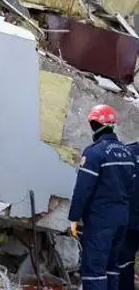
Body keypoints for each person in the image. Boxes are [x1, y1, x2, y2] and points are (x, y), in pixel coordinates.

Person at [69, 104, 134, 290]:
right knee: (111, 266)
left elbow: (83, 189)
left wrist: (74, 217)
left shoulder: (94, 152)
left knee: (94, 269)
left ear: (95, 124)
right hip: (122, 218)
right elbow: (130, 187)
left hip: (101, 220)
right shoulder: (127, 152)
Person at [118, 138, 139, 290]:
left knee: (124, 261)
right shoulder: (127, 152)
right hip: (129, 220)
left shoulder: (126, 152)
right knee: (124, 262)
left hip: (128, 219)